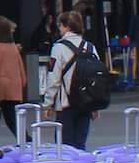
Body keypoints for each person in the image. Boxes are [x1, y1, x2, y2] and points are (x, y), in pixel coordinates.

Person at [40, 9, 103, 149]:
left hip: (65, 103)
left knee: (64, 146)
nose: (59, 29)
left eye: (60, 26)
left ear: (66, 26)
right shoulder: (90, 47)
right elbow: (96, 77)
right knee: (80, 144)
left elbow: (54, 79)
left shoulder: (58, 48)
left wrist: (48, 104)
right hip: (86, 101)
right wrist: (95, 104)